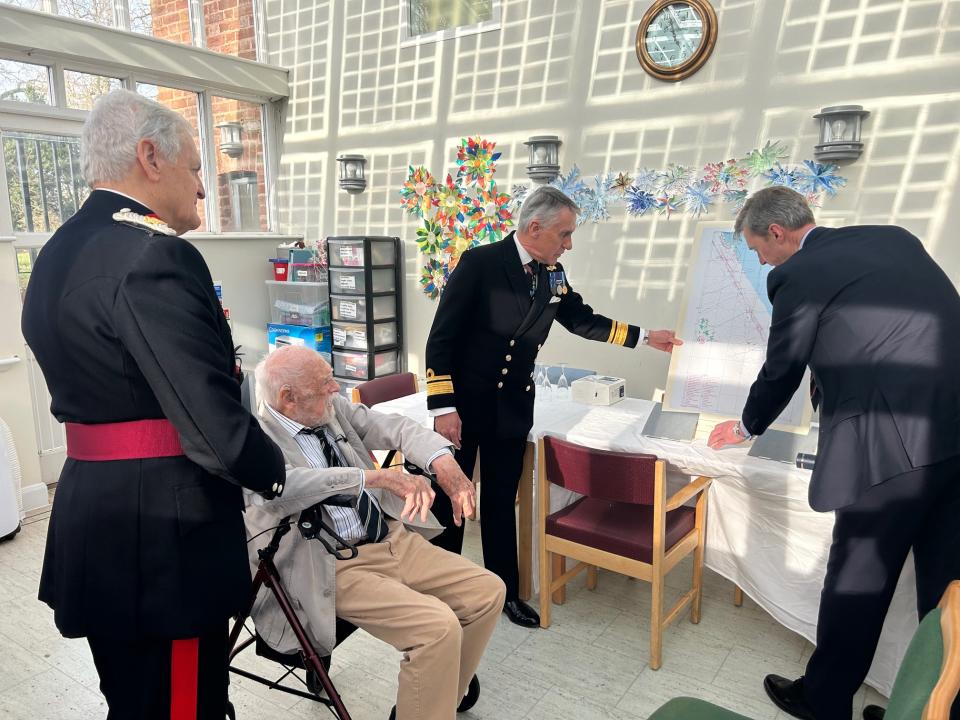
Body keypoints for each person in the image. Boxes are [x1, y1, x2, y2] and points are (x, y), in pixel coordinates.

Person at [20, 89, 286, 719]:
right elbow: (209, 422)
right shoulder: (154, 255)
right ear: (149, 157)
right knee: (183, 707)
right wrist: (274, 467)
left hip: (95, 509)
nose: (200, 190)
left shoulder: (55, 253)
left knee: (133, 700)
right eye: (196, 169)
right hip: (165, 535)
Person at [708, 186, 960, 720]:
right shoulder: (893, 239)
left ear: (777, 233)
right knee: (948, 592)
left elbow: (783, 367)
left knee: (857, 582)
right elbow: (887, 338)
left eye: (758, 251)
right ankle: (931, 707)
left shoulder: (797, 275)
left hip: (888, 452)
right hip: (954, 436)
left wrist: (747, 425)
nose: (761, 262)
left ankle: (824, 703)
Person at [424, 185, 681, 627]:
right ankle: (442, 598)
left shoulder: (552, 274)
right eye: (564, 234)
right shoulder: (480, 263)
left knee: (503, 501)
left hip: (512, 408)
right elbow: (441, 338)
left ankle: (503, 592)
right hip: (464, 409)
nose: (569, 244)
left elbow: (583, 320)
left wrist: (643, 337)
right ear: (535, 227)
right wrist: (443, 407)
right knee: (453, 499)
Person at [245, 346, 505, 720]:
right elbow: (292, 485)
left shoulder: (330, 410)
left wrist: (443, 462)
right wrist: (375, 477)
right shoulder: (257, 442)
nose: (335, 388)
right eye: (324, 384)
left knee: (487, 591)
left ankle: (434, 699)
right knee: (437, 627)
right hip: (330, 563)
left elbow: (396, 426)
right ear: (288, 398)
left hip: (387, 538)